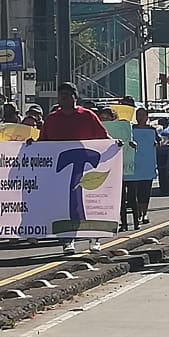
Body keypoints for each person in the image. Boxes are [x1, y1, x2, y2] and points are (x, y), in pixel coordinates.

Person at [38, 82, 109, 255]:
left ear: (74, 97)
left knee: (89, 204)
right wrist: (31, 146)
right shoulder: (52, 119)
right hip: (60, 173)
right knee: (63, 206)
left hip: (86, 170)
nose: (63, 97)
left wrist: (117, 144)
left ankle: (94, 238)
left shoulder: (88, 116)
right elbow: (43, 141)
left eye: (67, 94)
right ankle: (67, 240)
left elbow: (104, 138)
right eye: (60, 94)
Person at [123, 107, 158, 230]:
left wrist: (155, 144)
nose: (141, 117)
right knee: (135, 191)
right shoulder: (131, 129)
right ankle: (137, 214)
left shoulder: (152, 130)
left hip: (147, 164)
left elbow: (158, 143)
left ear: (147, 117)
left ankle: (144, 213)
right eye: (138, 115)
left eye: (143, 115)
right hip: (135, 164)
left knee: (145, 190)